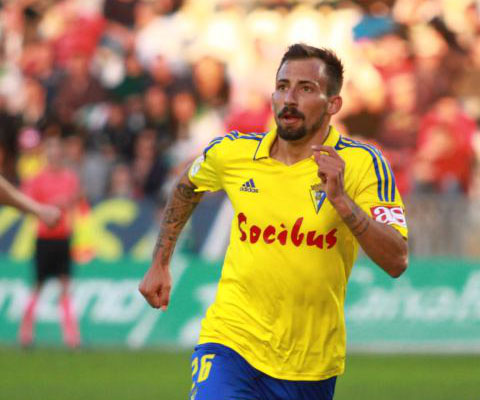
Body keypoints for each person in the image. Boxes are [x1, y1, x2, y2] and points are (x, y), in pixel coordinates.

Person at [139, 44, 409, 400]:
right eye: (282, 86)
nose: (289, 98)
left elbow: (397, 259)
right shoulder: (233, 153)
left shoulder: (361, 164)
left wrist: (343, 203)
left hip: (310, 363)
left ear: (333, 104)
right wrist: (160, 262)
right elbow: (187, 186)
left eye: (306, 88)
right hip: (231, 341)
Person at [19, 135, 82, 348]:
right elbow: (27, 203)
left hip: (62, 237)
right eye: (51, 151)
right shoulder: (37, 179)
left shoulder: (69, 178)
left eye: (57, 151)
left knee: (65, 285)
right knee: (38, 284)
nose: (54, 156)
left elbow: (75, 202)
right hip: (44, 238)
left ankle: (71, 337)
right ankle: (26, 333)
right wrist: (51, 204)